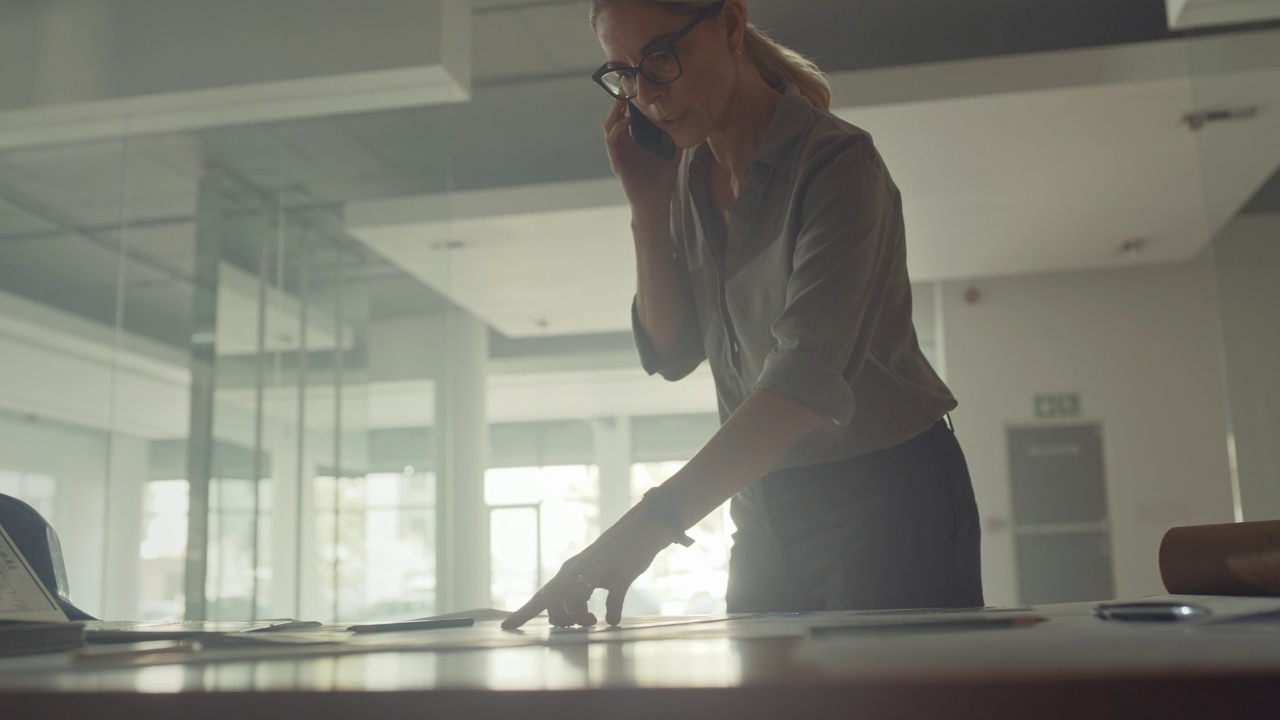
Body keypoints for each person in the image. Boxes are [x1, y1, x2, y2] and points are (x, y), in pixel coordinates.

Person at [502, 0, 982, 630]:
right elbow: (671, 352)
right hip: (762, 495)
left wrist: (645, 529)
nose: (645, 93)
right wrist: (648, 211)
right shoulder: (690, 176)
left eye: (660, 56)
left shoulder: (837, 164)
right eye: (623, 72)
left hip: (883, 490)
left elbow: (799, 386)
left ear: (729, 24)